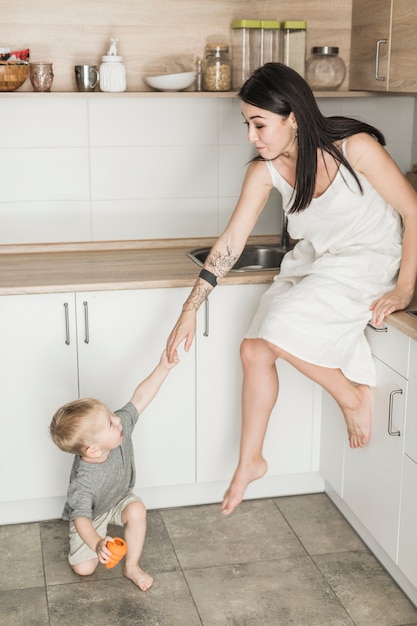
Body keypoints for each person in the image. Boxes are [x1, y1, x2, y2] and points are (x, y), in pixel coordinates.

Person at [166, 62, 417, 516]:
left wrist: (402, 290)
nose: (251, 136)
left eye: (259, 123)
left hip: (369, 261)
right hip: (319, 262)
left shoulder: (354, 149)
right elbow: (230, 244)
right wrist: (189, 309)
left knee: (279, 327)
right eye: (247, 124)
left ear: (293, 117)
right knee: (254, 349)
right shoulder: (265, 171)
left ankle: (352, 395)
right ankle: (251, 460)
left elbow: (413, 211)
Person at [50, 349, 179, 590]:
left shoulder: (121, 427)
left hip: (119, 498)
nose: (118, 419)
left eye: (112, 414)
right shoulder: (83, 483)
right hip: (93, 514)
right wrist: (98, 543)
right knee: (84, 569)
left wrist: (163, 367)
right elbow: (81, 519)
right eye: (110, 422)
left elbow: (139, 399)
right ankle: (99, 538)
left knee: (137, 509)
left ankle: (132, 566)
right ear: (94, 450)